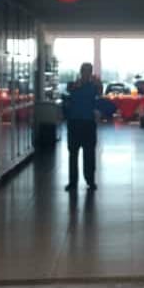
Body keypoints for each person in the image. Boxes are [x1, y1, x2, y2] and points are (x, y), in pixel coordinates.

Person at [62, 62, 103, 192]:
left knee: (89, 153)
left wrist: (99, 84)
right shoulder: (72, 85)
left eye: (88, 71)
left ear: (91, 73)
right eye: (84, 71)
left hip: (89, 123)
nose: (86, 73)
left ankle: (90, 180)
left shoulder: (94, 86)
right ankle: (72, 182)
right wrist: (75, 86)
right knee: (73, 153)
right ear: (80, 72)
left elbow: (100, 94)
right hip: (74, 123)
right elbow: (66, 92)